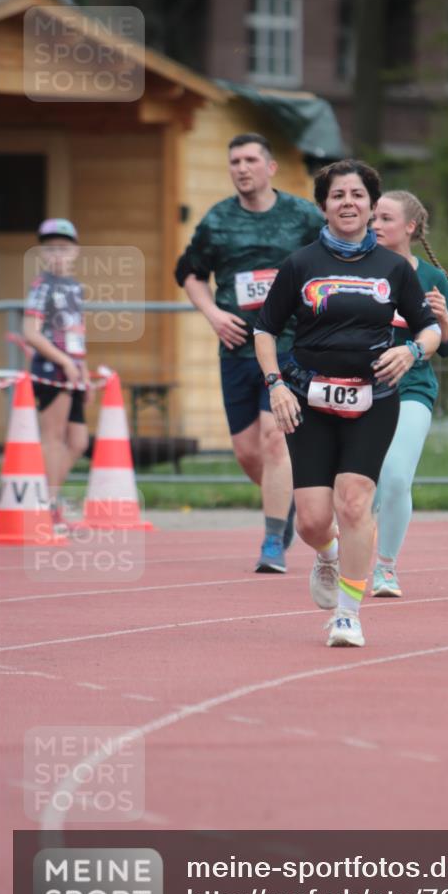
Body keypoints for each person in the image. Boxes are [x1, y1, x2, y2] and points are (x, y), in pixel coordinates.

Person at [254, 160, 443, 647]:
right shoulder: (300, 264)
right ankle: (327, 552)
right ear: (324, 205)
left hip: (374, 398)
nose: (349, 203)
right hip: (307, 398)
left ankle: (347, 613)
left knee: (355, 501)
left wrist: (412, 349)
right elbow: (265, 330)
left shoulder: (395, 269)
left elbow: (429, 327)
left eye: (358, 195)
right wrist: (275, 384)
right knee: (315, 519)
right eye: (338, 195)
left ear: (371, 205)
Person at [174, 133, 324, 574]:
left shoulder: (302, 216)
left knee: (274, 438)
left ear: (270, 167)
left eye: (250, 160)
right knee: (247, 452)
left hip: (291, 348)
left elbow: (335, 258)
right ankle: (293, 501)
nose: (241, 168)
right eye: (234, 161)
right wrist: (213, 315)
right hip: (237, 348)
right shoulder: (218, 220)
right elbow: (188, 272)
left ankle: (272, 540)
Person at [371, 191, 448, 597]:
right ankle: (339, 552)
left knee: (396, 476)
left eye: (384, 218)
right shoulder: (360, 268)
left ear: (410, 227)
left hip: (413, 387)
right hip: (360, 388)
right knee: (360, 484)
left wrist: (442, 322)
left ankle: (385, 568)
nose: (375, 225)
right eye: (373, 219)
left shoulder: (431, 279)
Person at [23, 218, 90, 534]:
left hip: (73, 372)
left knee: (78, 441)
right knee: (53, 439)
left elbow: (77, 333)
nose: (57, 255)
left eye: (63, 248)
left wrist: (83, 372)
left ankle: (41, 498)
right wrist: (64, 361)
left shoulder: (75, 287)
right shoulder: (42, 286)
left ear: (75, 251)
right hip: (52, 371)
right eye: (50, 249)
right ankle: (47, 508)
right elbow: (30, 332)